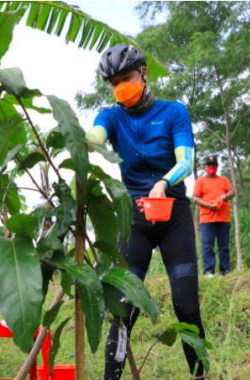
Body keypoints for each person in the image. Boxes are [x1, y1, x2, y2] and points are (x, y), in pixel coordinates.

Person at [86, 44, 205, 379]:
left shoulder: (174, 112)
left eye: (127, 78)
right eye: (114, 83)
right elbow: (96, 135)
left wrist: (164, 183)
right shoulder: (111, 116)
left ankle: (201, 374)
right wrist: (83, 138)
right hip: (134, 218)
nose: (121, 86)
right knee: (123, 308)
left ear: (144, 73)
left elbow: (186, 162)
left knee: (187, 306)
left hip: (174, 214)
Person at [192, 155, 236, 277]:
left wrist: (224, 197)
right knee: (207, 246)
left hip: (224, 218)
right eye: (209, 165)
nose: (212, 167)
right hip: (207, 219)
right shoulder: (200, 181)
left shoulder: (223, 180)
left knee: (224, 246)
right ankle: (209, 271)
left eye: (214, 165)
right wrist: (209, 206)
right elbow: (195, 198)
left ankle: (225, 270)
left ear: (217, 166)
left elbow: (232, 192)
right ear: (206, 167)